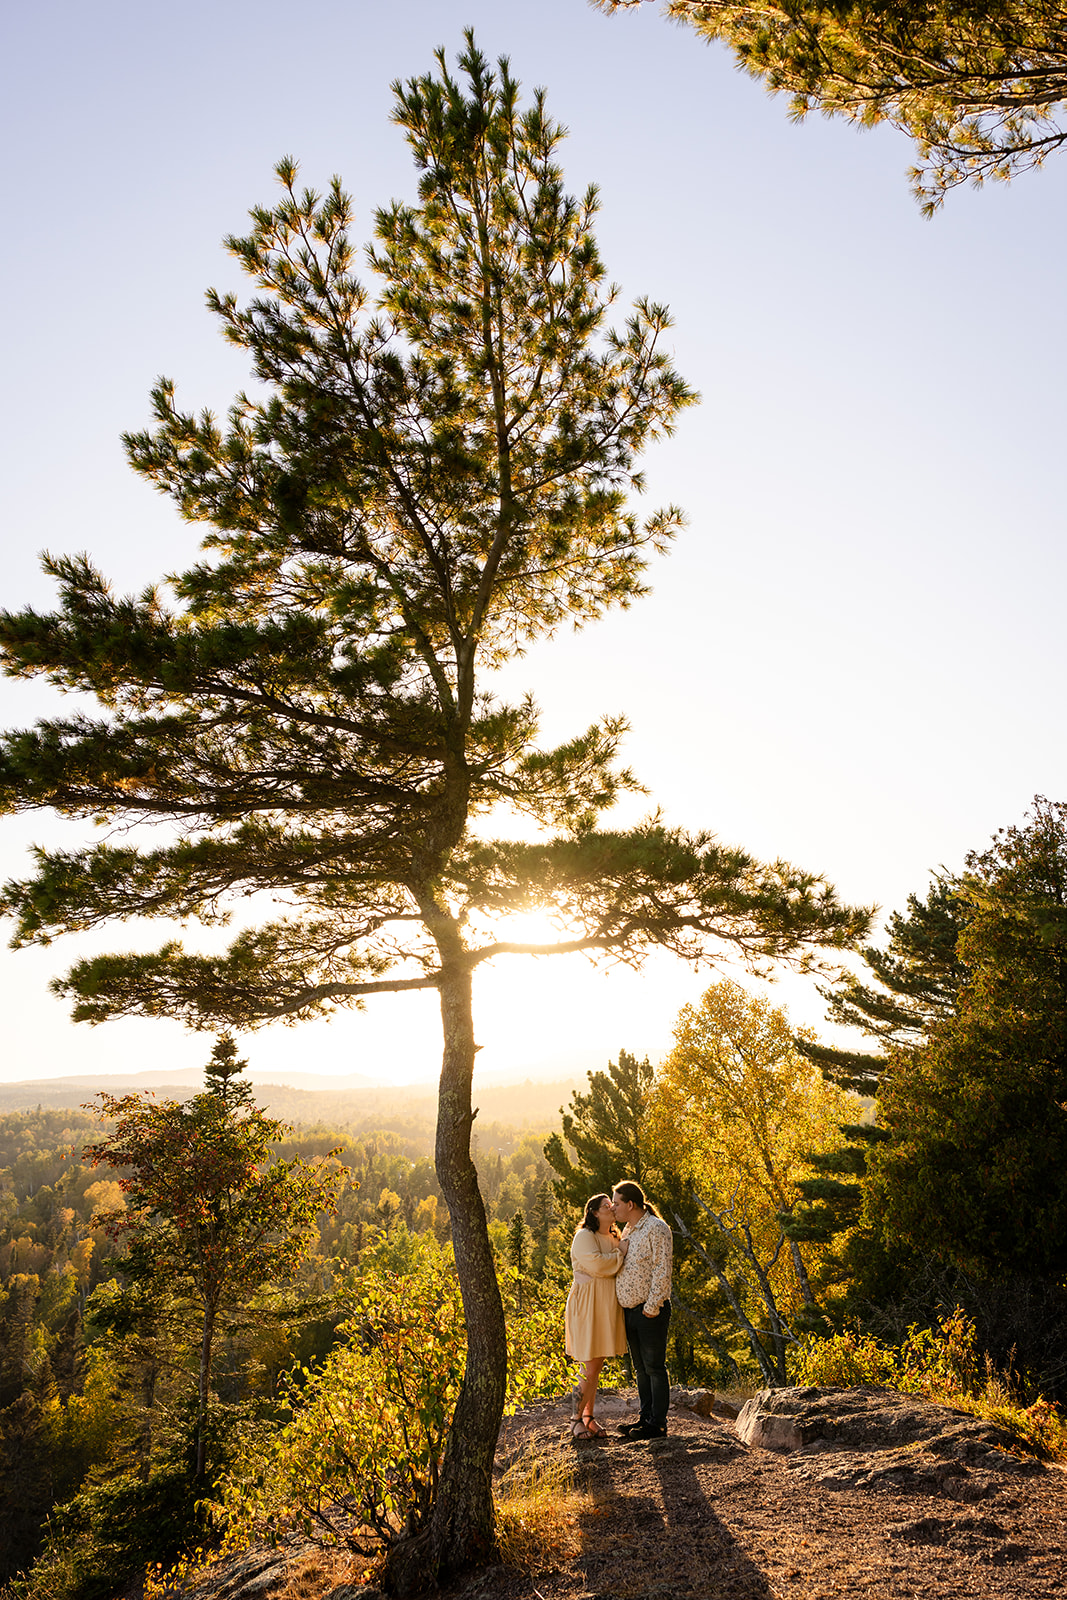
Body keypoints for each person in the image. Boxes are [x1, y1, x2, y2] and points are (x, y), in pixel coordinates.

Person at [612, 1179, 673, 1440]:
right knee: (640, 1368)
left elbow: (662, 1269)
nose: (613, 1208)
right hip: (630, 1312)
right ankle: (645, 1419)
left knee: (654, 1368)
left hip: (650, 1312)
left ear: (630, 1204)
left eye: (616, 1203)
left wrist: (651, 1307)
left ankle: (657, 1424)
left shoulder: (656, 1228)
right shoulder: (628, 1230)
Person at [565, 1193, 629, 1439]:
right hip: (586, 1305)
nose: (611, 1208)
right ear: (593, 1212)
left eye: (612, 1204)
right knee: (588, 1366)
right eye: (606, 1206)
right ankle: (574, 1421)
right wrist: (619, 1255)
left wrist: (618, 1254)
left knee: (597, 1365)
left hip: (605, 1306)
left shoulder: (614, 1237)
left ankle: (588, 1418)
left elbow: (612, 1267)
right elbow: (598, 1265)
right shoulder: (584, 1236)